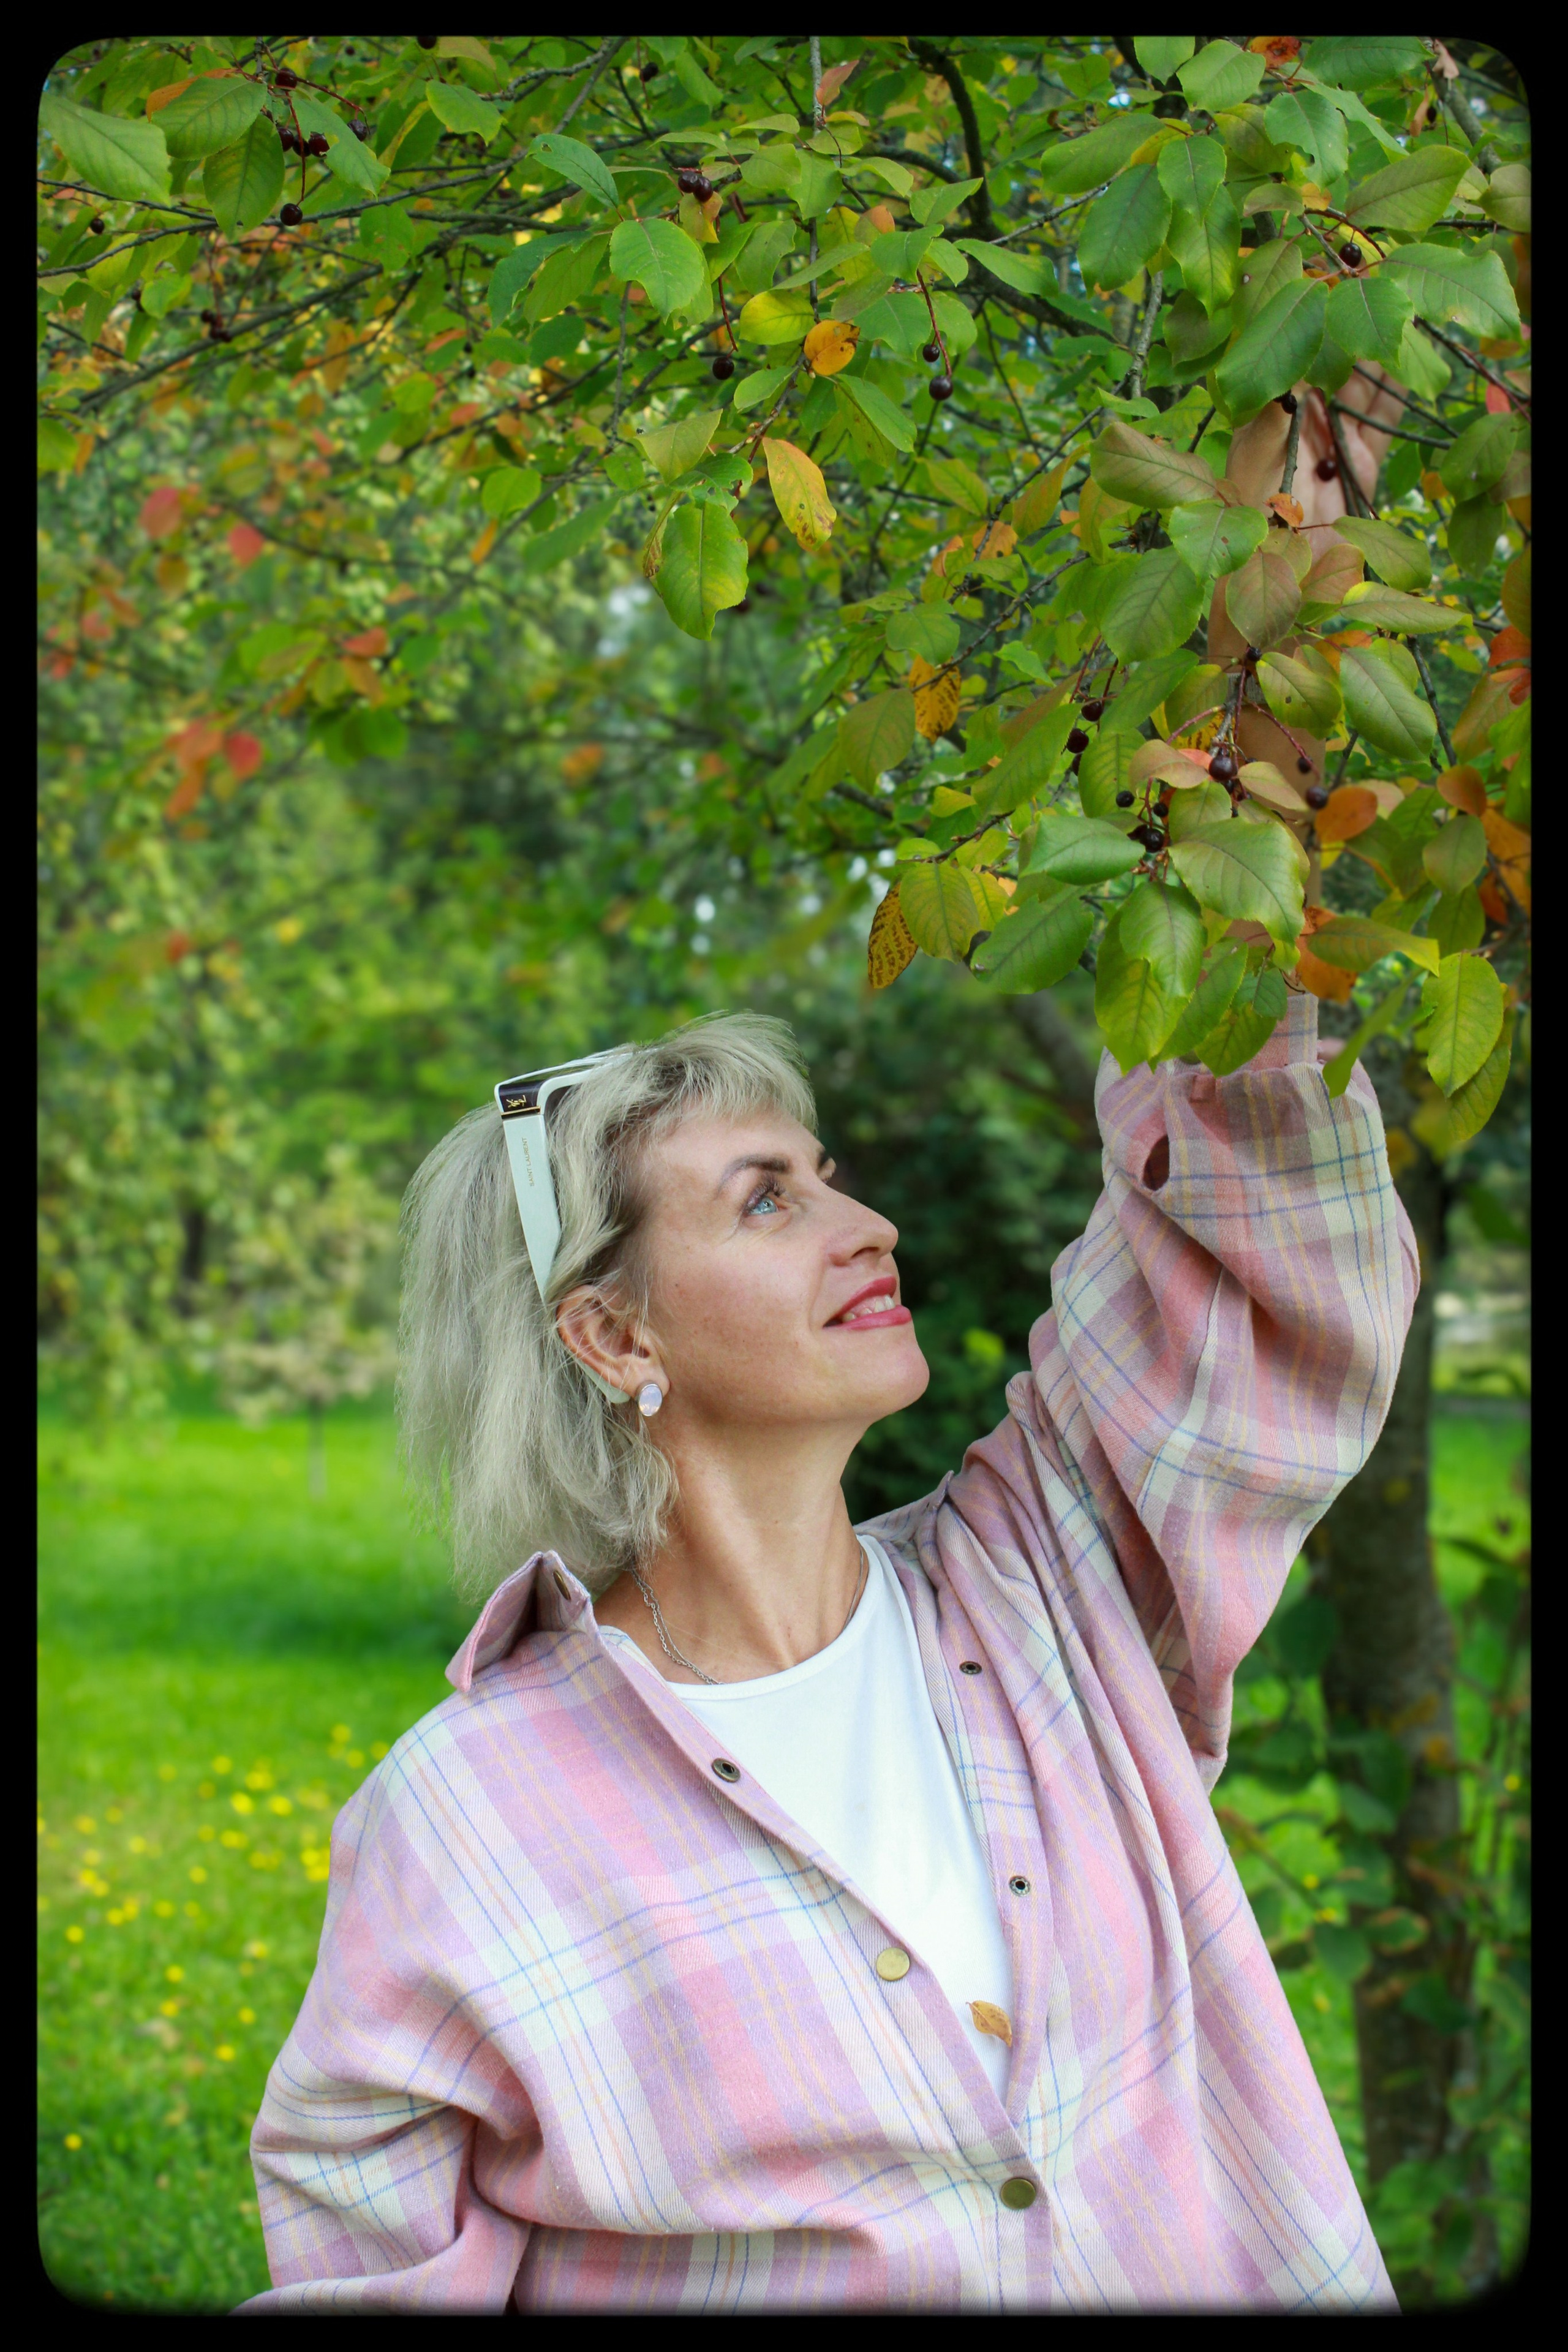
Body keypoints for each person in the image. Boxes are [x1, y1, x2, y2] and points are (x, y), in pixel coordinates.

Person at [243, 390, 1417, 2316]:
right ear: (610, 1329)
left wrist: (1251, 706)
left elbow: (1249, 1230)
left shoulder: (1057, 1586)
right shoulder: (463, 1825)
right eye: (768, 1198)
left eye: (832, 1174)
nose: (866, 1226)